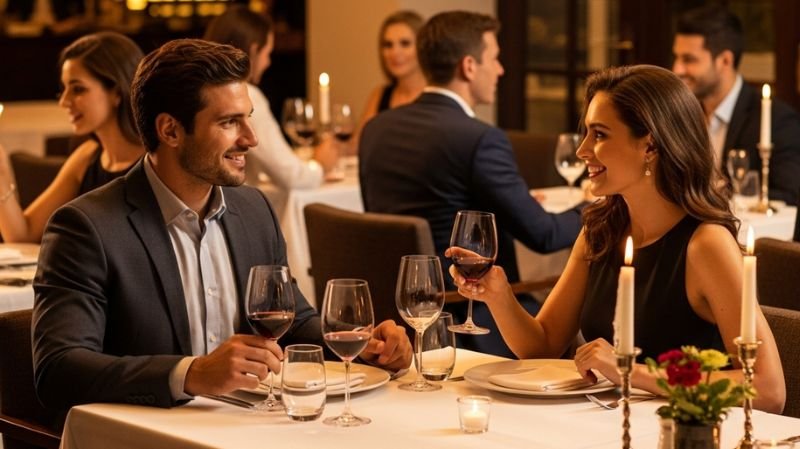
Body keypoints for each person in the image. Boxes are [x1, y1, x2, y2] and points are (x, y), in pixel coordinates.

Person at [32, 38, 411, 411]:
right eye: (229, 122)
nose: (251, 139)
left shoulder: (253, 209)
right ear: (170, 131)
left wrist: (363, 346)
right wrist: (191, 373)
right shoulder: (87, 227)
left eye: (248, 118)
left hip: (248, 427)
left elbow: (293, 322)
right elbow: (59, 369)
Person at [448, 65, 785, 413]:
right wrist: (499, 296)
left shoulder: (706, 244)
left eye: (600, 135)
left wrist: (630, 372)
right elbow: (543, 346)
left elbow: (767, 388)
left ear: (650, 146)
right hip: (609, 425)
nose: (582, 150)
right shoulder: (601, 230)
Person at [359, 11, 583, 357]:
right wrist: (595, 206)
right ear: (469, 66)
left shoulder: (377, 129)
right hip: (468, 316)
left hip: (395, 317)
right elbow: (544, 235)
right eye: (494, 58)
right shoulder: (479, 139)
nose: (501, 70)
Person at [0, 31, 145, 243]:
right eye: (64, 89)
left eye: (78, 89)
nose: (64, 101)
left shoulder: (157, 161)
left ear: (117, 92)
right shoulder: (87, 157)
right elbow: (23, 234)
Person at [672, 4, 800, 205]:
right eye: (677, 57)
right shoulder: (679, 115)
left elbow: (790, 195)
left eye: (689, 59)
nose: (677, 69)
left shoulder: (778, 120)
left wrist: (723, 195)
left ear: (725, 60)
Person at [203, 5, 338, 189]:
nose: (268, 62)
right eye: (268, 53)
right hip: (234, 206)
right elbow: (291, 176)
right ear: (253, 50)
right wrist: (319, 165)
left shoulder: (203, 91)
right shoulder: (247, 98)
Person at [348, 10, 426, 155]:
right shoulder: (380, 95)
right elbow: (357, 146)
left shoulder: (435, 95)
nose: (394, 52)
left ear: (422, 47)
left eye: (405, 43)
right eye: (388, 45)